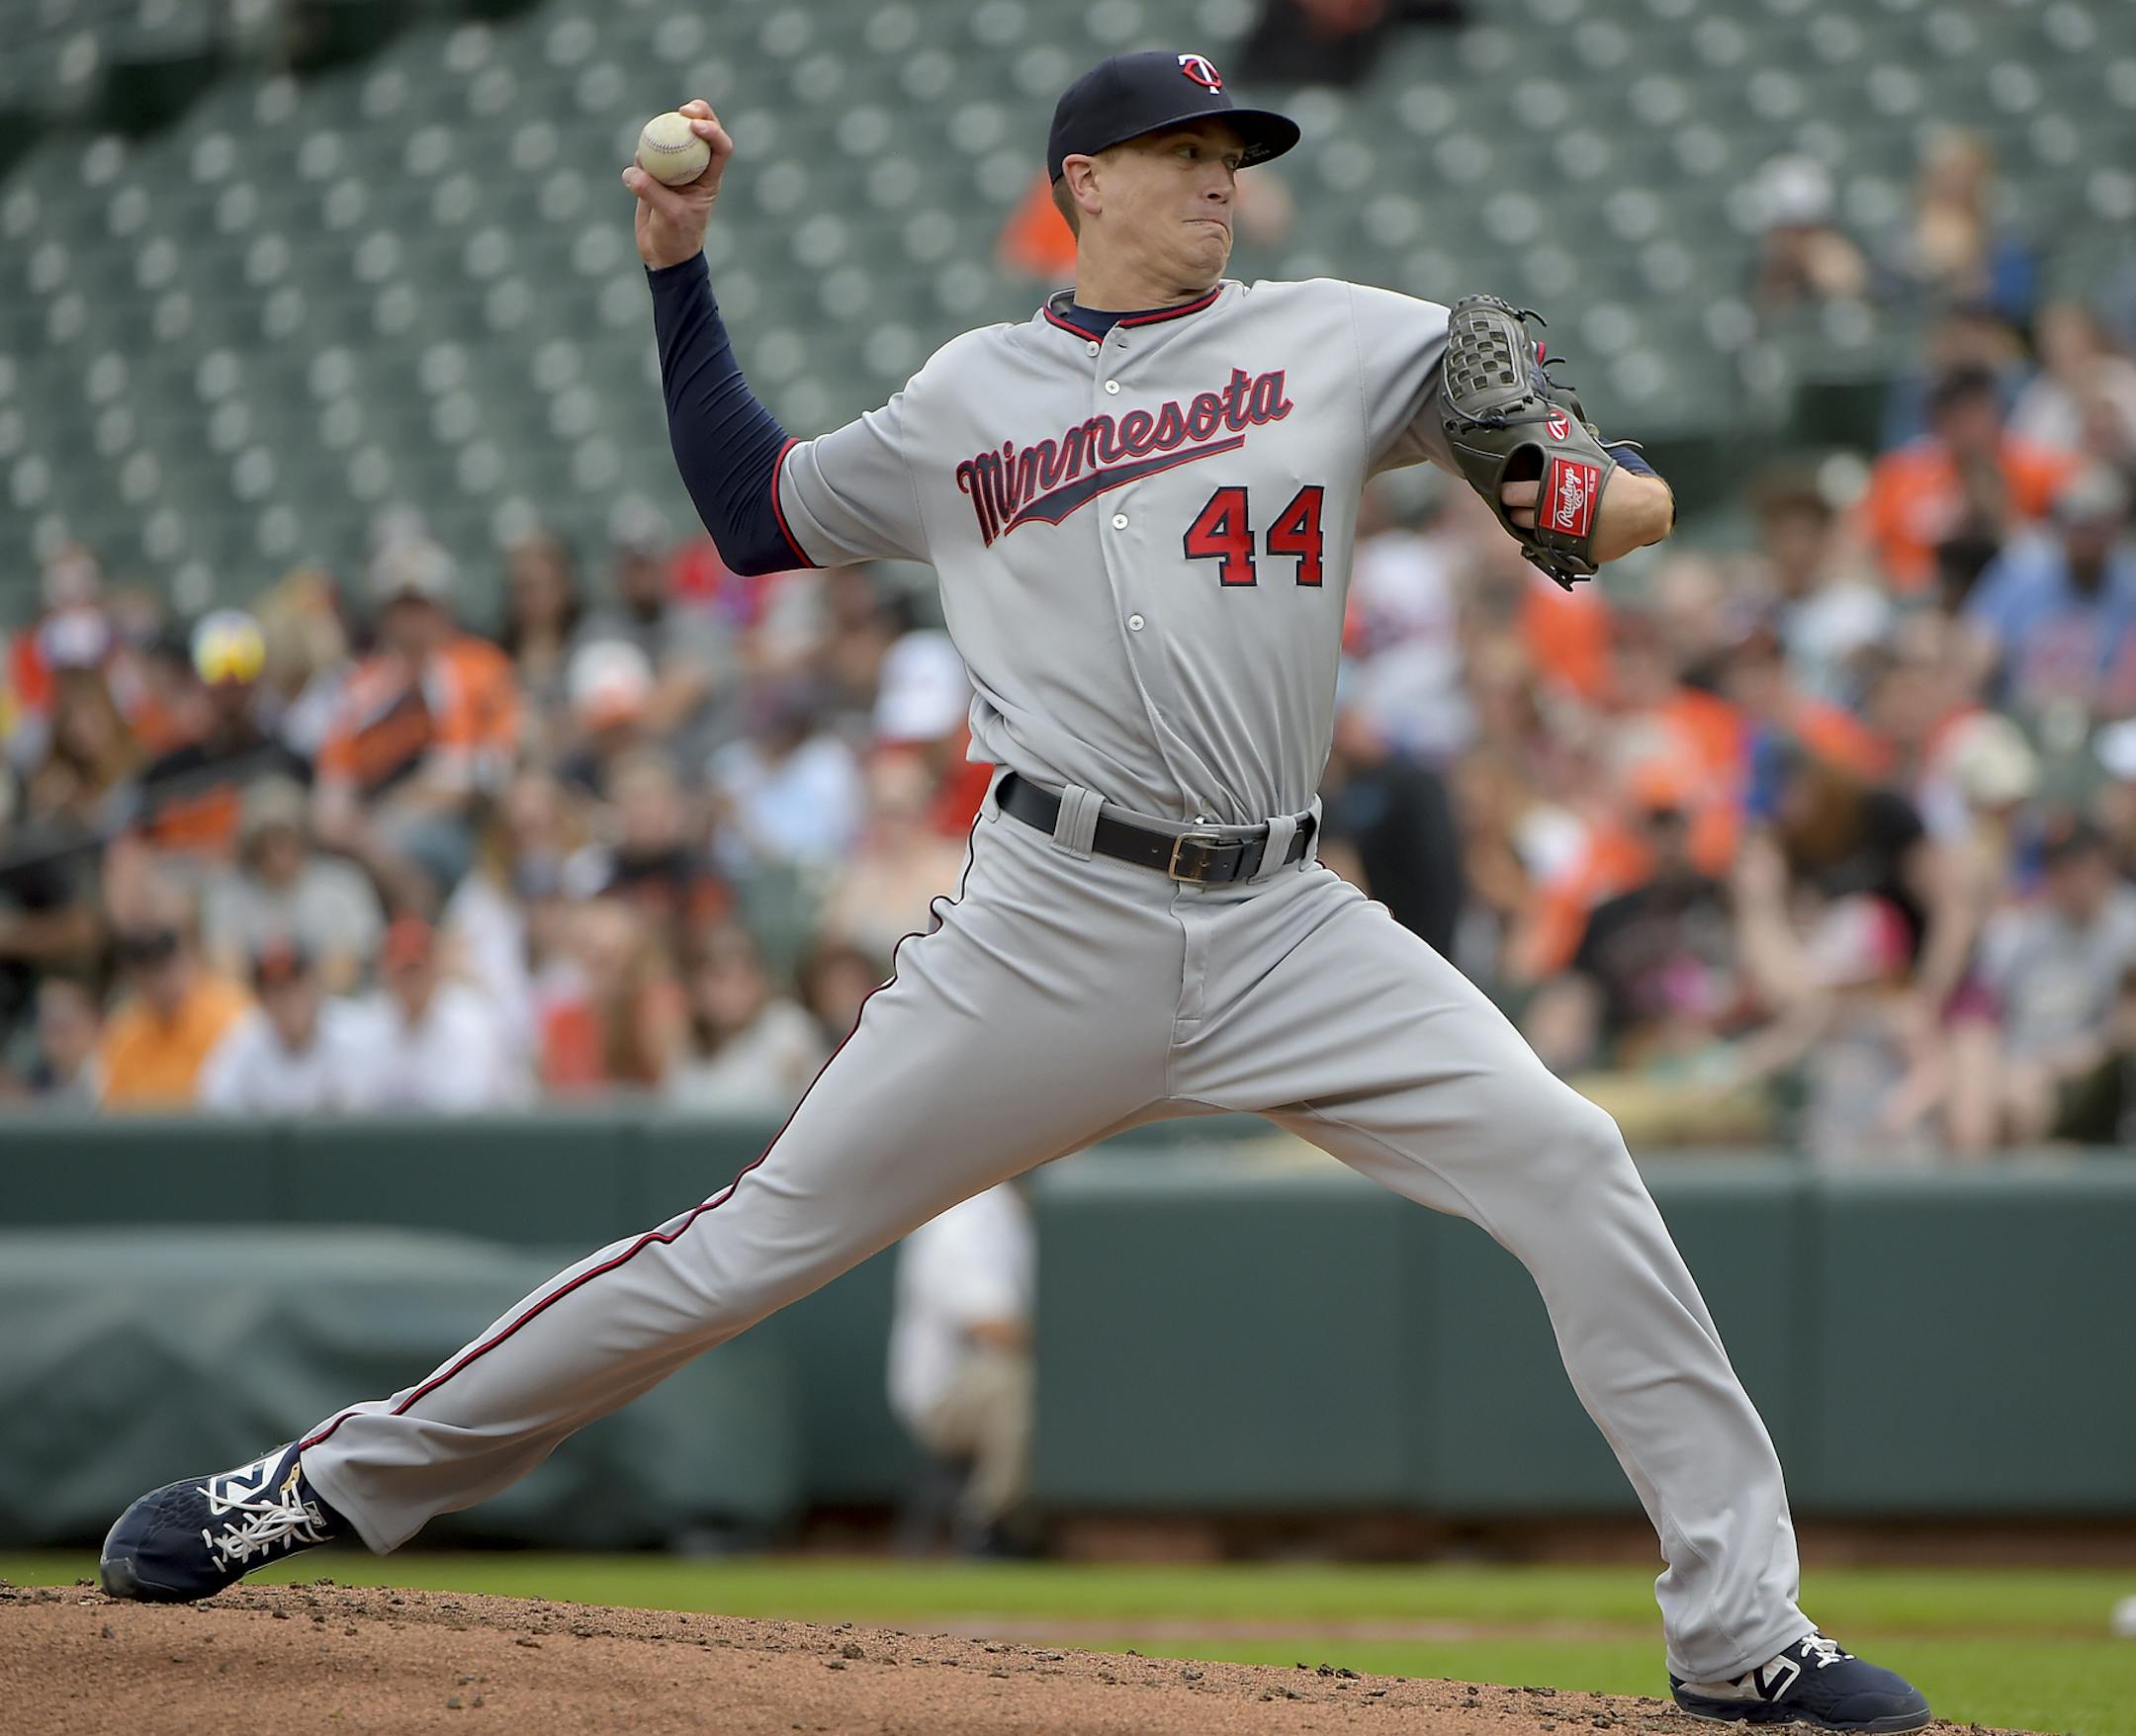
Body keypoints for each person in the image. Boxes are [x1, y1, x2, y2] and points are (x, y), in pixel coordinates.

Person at [100, 53, 1925, 1734]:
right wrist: (678, 268)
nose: (1223, 182)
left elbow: (1562, 466)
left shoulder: (1339, 338)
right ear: (1087, 181)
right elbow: (755, 513)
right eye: (1186, 156)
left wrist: (1591, 484)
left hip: (1291, 919)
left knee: (1572, 1162)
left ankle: (1738, 1631)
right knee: (743, 1246)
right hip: (1054, 918)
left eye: (1236, 156)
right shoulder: (974, 397)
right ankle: (322, 1481)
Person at [312, 536, 522, 909]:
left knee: (413, 849)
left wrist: (380, 828)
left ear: (444, 609)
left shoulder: (478, 668)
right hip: (367, 832)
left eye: (421, 607)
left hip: (459, 824)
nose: (411, 622)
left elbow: (474, 775)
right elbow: (334, 786)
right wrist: (352, 830)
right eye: (400, 609)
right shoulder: (360, 685)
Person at [886, 1180, 1037, 1556]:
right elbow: (992, 1325)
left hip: (980, 1383)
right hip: (941, 1398)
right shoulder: (965, 1213)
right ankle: (987, 1524)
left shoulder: (1010, 1210)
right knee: (1017, 1383)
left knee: (1022, 1380)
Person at [199, 776, 386, 995]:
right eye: (266, 840)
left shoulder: (340, 882)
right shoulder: (227, 894)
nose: (277, 853)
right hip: (257, 1016)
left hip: (338, 1008)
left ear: (302, 835)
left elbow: (348, 967)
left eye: (284, 837)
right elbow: (227, 974)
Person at [95, 881, 251, 1110]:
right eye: (144, 966)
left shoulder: (233, 1017)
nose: (157, 979)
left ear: (190, 952)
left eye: (164, 962)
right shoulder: (124, 1032)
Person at [341, 914, 520, 1112]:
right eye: (404, 974)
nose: (412, 984)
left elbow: (469, 1115)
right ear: (387, 975)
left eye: (418, 972)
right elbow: (357, 1108)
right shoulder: (366, 1028)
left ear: (436, 969)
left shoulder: (471, 1026)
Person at [196, 939, 375, 1114]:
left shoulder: (354, 1032)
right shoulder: (244, 1036)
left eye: (295, 986)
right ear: (262, 999)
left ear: (315, 985)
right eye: (276, 990)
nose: (288, 999)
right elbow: (214, 1104)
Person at [663, 921, 824, 1114]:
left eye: (744, 976)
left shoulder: (786, 1027)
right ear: (696, 985)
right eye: (720, 977)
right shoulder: (686, 1051)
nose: (733, 991)